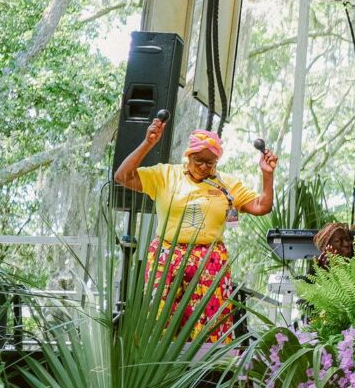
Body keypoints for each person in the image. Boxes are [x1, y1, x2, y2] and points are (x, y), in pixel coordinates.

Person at [113, 120, 276, 341]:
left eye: (211, 163)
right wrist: (148, 143)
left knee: (209, 323)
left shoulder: (227, 184)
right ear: (188, 156)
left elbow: (261, 206)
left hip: (210, 258)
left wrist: (267, 175)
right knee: (160, 319)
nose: (204, 167)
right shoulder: (165, 175)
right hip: (167, 255)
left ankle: (207, 362)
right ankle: (162, 361)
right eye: (199, 160)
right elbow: (123, 176)